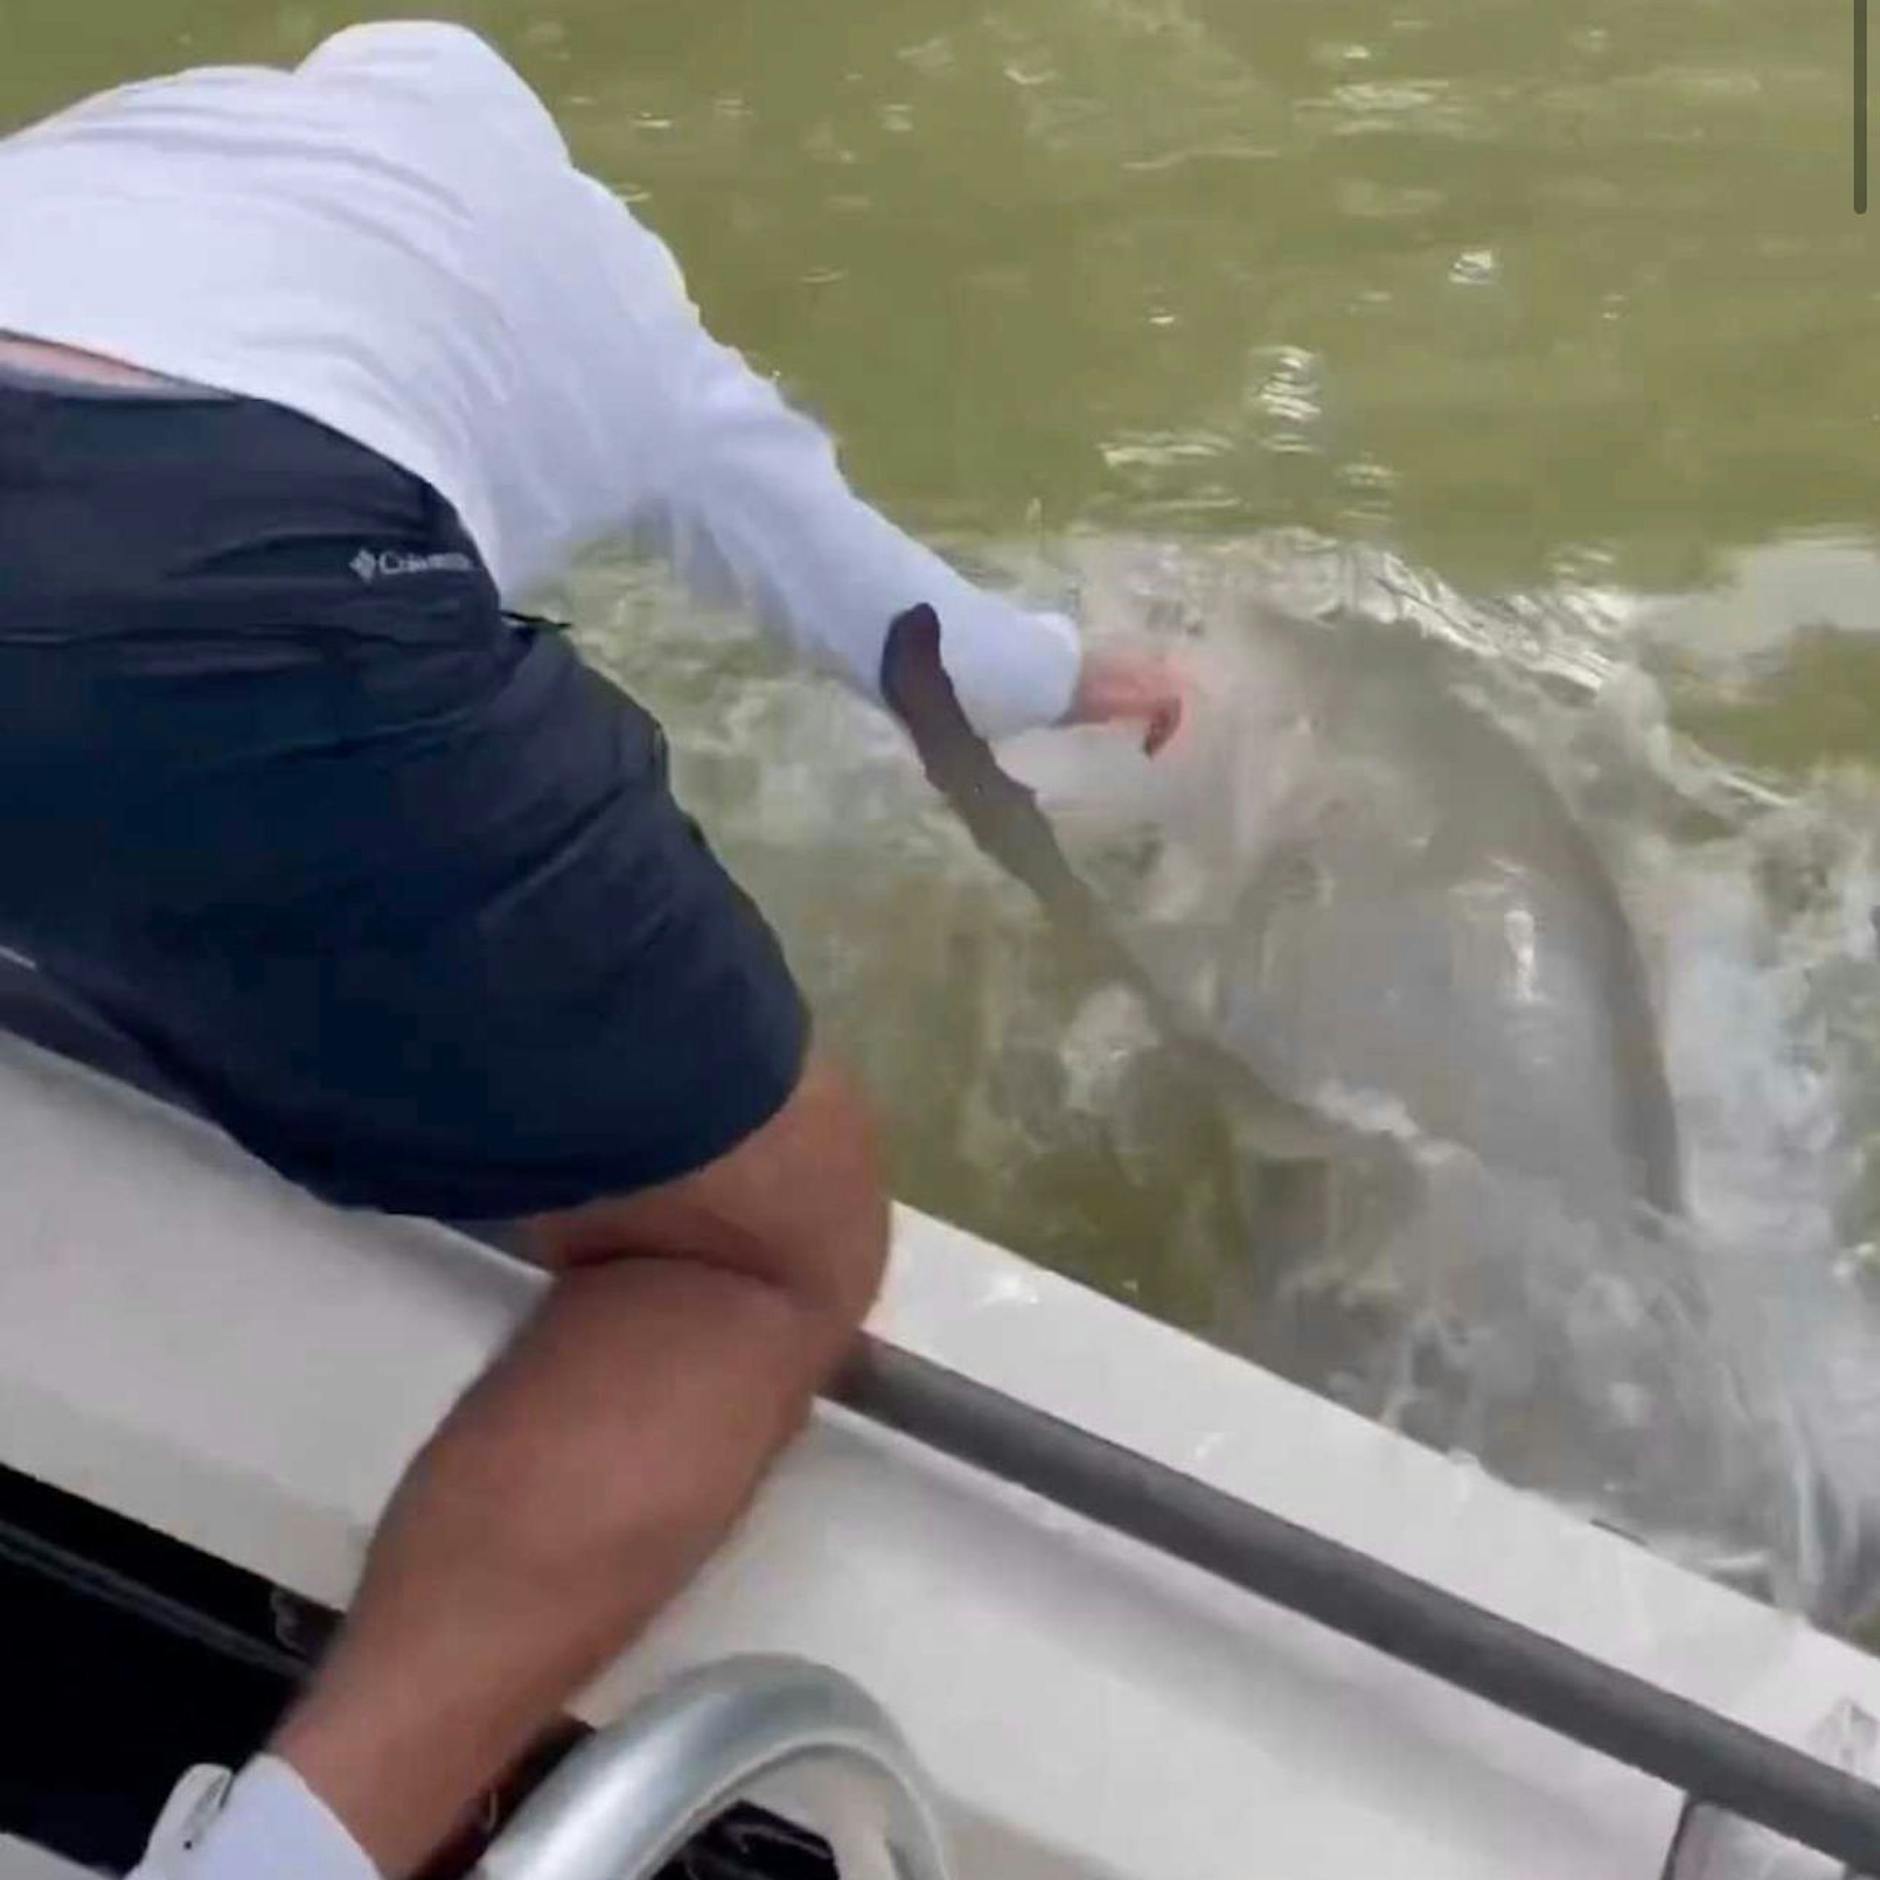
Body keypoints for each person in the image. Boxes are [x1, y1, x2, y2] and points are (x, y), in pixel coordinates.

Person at [0, 21, 1184, 1880]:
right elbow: (888, 618)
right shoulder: (589, 262)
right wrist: (1083, 673)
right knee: (758, 1254)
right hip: (257, 570)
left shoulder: (140, 133)